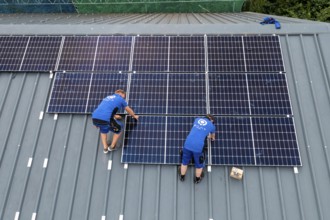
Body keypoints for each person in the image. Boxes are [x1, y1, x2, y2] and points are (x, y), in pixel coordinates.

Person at [92, 89, 139, 154]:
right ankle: (112, 146)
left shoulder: (107, 97)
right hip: (105, 119)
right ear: (121, 94)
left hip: (95, 118)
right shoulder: (120, 99)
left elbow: (105, 108)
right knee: (119, 128)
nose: (124, 97)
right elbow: (128, 109)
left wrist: (114, 116)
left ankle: (105, 148)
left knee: (103, 129)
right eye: (124, 96)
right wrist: (134, 116)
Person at [179, 114, 215, 184]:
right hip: (198, 147)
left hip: (187, 144)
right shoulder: (212, 126)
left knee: (184, 162)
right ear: (211, 120)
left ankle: (182, 176)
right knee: (199, 165)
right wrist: (211, 137)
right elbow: (212, 137)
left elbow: (197, 129)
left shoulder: (197, 119)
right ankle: (197, 179)